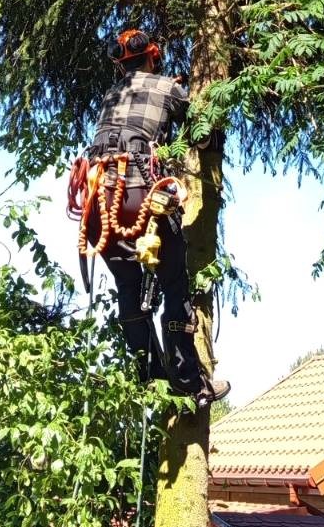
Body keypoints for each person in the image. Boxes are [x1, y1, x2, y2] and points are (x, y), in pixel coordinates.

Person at [81, 28, 229, 404]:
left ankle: (148, 374)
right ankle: (190, 381)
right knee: (176, 284)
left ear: (121, 63)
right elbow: (202, 132)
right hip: (137, 195)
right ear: (153, 55)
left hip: (98, 201)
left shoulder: (109, 95)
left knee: (128, 287)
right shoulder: (167, 87)